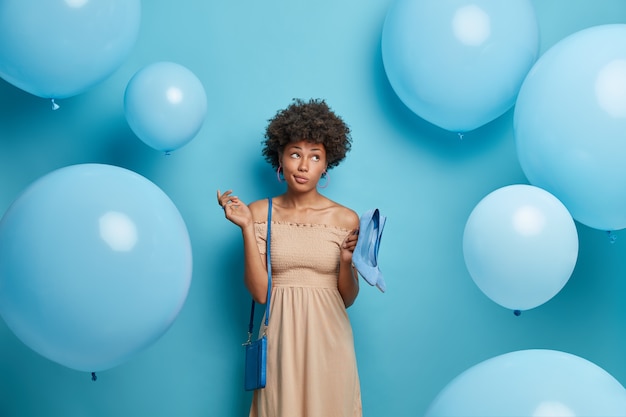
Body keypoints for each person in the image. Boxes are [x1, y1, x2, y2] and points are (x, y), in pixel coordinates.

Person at [217, 98, 362, 416]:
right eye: (295, 153)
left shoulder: (346, 219)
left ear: (327, 164)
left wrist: (348, 262)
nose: (303, 165)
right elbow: (260, 293)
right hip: (280, 336)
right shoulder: (258, 213)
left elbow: (347, 298)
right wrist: (244, 228)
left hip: (330, 338)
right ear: (280, 158)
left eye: (315, 156)